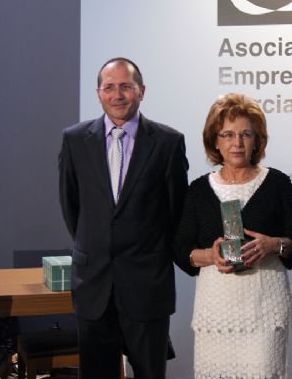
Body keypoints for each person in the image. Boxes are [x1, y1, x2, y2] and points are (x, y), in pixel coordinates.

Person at [58, 57, 189, 379]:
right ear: (98, 93)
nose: (117, 95)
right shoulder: (75, 140)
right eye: (109, 87)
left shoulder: (168, 143)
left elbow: (176, 212)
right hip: (94, 285)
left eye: (126, 87)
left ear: (141, 91)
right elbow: (71, 206)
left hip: (147, 286)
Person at [173, 93, 292, 379]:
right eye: (229, 134)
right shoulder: (198, 190)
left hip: (264, 309)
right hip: (216, 312)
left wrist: (273, 244)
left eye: (247, 134)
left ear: (257, 140)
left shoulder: (277, 182)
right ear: (215, 141)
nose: (238, 142)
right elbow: (181, 248)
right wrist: (209, 255)